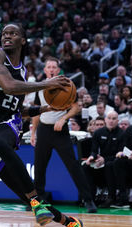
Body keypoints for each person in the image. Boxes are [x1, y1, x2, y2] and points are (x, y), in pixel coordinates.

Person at [0, 23, 90, 227]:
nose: (6, 36)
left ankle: (37, 203)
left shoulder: (21, 73)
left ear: (23, 40)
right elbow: (7, 88)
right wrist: (43, 100)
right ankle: (72, 224)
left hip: (6, 127)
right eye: (4, 33)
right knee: (25, 195)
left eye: (13, 33)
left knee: (2, 141)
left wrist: (44, 108)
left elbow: (14, 108)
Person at [31, 57, 97, 214]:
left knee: (73, 166)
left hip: (60, 132)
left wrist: (63, 118)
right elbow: (36, 111)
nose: (52, 69)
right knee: (39, 167)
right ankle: (38, 200)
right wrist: (33, 132)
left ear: (58, 70)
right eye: (49, 66)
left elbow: (76, 107)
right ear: (45, 70)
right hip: (44, 130)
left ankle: (88, 200)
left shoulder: (66, 86)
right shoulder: (39, 87)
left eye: (54, 66)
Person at [83, 111, 124, 208]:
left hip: (113, 160)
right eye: (109, 118)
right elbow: (94, 150)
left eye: (114, 119)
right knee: (85, 166)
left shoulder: (122, 134)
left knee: (110, 165)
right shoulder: (98, 133)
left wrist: (104, 159)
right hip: (100, 160)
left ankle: (111, 197)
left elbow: (120, 153)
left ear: (117, 121)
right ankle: (90, 198)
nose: (111, 121)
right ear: (105, 120)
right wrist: (92, 157)